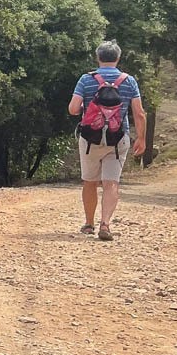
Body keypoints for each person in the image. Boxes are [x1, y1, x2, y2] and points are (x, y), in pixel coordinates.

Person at [67, 40, 145, 241]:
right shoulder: (129, 81)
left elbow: (73, 109)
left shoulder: (86, 79)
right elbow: (139, 113)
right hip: (118, 138)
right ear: (118, 58)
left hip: (90, 139)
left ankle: (88, 223)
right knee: (111, 183)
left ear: (98, 58)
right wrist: (141, 138)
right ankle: (105, 224)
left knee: (90, 182)